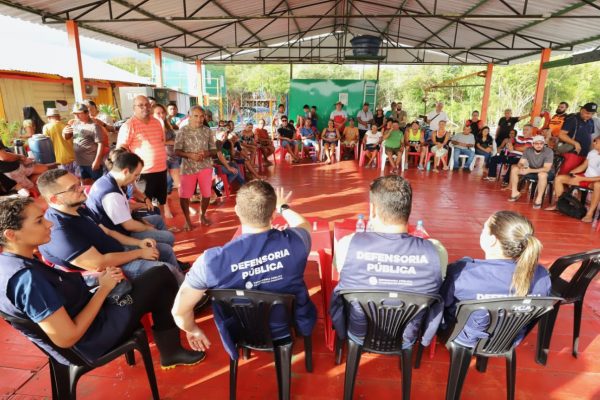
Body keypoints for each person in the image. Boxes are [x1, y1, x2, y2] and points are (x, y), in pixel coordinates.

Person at [0, 196, 205, 370]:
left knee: (157, 277)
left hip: (86, 316)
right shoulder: (27, 280)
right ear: (11, 234)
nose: (49, 224)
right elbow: (66, 337)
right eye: (38, 221)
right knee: (161, 276)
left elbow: (56, 290)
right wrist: (104, 288)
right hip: (90, 340)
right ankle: (172, 350)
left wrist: (96, 279)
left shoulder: (11, 263)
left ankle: (171, 349)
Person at [171, 181, 317, 359]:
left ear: (237, 211)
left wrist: (192, 329)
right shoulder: (297, 241)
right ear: (272, 214)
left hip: (240, 330)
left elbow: (179, 311)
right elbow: (304, 225)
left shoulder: (210, 262)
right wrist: (283, 207)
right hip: (287, 324)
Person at [330, 176, 447, 349]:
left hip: (359, 332)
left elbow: (339, 271)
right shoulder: (436, 252)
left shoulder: (347, 245)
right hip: (407, 337)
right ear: (408, 209)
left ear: (373, 210)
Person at [37, 169, 184, 285]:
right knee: (166, 270)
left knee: (165, 250)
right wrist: (139, 253)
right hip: (111, 270)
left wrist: (138, 243)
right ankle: (185, 300)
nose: (81, 189)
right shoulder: (59, 230)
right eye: (73, 188)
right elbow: (98, 264)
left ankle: (180, 288)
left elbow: (108, 231)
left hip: (117, 252)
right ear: (54, 199)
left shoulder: (79, 208)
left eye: (78, 183)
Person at [440, 211, 551, 348]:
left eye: (483, 228)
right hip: (508, 339)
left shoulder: (463, 272)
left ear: (492, 240)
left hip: (465, 338)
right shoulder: (542, 276)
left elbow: (441, 301)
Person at [84, 152, 183, 272]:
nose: (136, 179)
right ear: (125, 171)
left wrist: (143, 216)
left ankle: (168, 258)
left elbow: (124, 208)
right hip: (119, 236)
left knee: (157, 219)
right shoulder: (111, 194)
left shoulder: (108, 180)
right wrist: (149, 228)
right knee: (168, 237)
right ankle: (166, 261)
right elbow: (129, 226)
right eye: (136, 175)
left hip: (118, 226)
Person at [117, 95, 168, 216]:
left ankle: (160, 229)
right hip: (143, 173)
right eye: (140, 105)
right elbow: (121, 149)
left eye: (147, 104)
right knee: (145, 205)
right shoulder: (129, 125)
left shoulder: (157, 122)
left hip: (161, 170)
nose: (145, 107)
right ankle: (151, 231)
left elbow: (161, 142)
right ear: (134, 108)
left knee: (159, 203)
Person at [174, 106, 217, 230]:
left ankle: (202, 215)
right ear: (190, 116)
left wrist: (206, 153)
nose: (199, 119)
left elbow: (214, 150)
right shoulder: (182, 131)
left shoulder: (207, 131)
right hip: (188, 168)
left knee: (207, 194)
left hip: (205, 166)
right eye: (196, 116)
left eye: (201, 116)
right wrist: (189, 155)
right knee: (184, 196)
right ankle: (187, 220)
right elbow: (177, 151)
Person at [545, 136, 600, 222]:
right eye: (594, 141)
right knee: (559, 178)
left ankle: (590, 213)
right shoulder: (592, 153)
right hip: (584, 177)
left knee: (598, 185)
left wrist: (581, 178)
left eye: (596, 142)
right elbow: (583, 166)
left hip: (595, 181)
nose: (593, 143)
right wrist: (572, 173)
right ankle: (561, 205)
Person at [507, 135, 554, 208]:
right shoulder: (528, 150)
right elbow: (520, 162)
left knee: (542, 175)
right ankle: (515, 193)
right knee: (515, 169)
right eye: (536, 143)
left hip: (547, 173)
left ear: (544, 144)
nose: (539, 145)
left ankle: (539, 199)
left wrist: (529, 170)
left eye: (541, 143)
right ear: (533, 144)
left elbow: (546, 169)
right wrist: (521, 167)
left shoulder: (548, 151)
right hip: (532, 170)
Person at [63, 103, 106, 182]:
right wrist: (65, 133)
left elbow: (101, 144)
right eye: (75, 114)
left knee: (97, 183)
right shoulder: (75, 124)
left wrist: (97, 161)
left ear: (86, 113)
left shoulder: (94, 126)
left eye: (78, 114)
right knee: (85, 182)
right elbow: (67, 137)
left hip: (91, 162)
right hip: (80, 162)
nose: (76, 116)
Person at [153, 103, 180, 219]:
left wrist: (170, 141)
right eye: (158, 113)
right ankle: (166, 209)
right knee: (166, 182)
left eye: (163, 112)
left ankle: (187, 206)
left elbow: (175, 139)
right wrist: (170, 142)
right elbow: (159, 141)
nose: (161, 115)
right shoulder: (153, 126)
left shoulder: (167, 124)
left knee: (179, 183)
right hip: (161, 158)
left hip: (172, 156)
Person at [556, 103, 597, 174]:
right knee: (564, 176)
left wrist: (591, 151)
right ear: (581, 110)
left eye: (592, 114)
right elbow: (561, 134)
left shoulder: (591, 121)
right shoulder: (573, 119)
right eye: (587, 113)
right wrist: (575, 143)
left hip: (585, 155)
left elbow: (589, 136)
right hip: (572, 153)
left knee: (576, 178)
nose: (589, 115)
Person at [43, 108, 76, 174]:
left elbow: (46, 145)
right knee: (77, 179)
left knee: (67, 180)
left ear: (48, 117)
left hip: (61, 159)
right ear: (59, 117)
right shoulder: (67, 125)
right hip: (74, 156)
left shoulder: (46, 127)